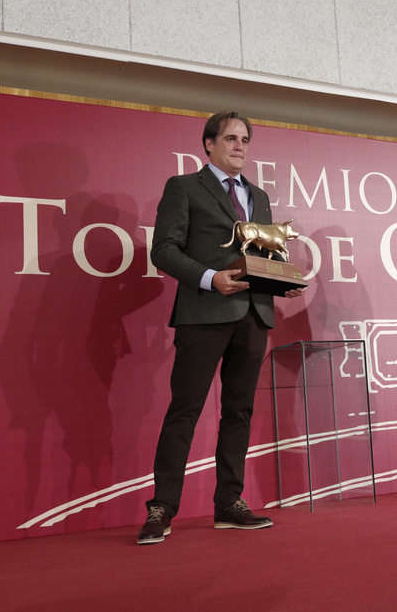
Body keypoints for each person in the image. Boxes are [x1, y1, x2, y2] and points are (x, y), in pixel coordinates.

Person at [138, 111, 305, 544]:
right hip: (204, 313)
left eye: (245, 140)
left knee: (239, 412)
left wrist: (280, 282)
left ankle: (229, 503)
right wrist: (212, 278)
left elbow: (263, 256)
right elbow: (164, 250)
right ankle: (161, 508)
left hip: (254, 316)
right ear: (208, 144)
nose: (240, 146)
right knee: (185, 412)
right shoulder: (184, 188)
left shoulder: (259, 196)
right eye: (231, 138)